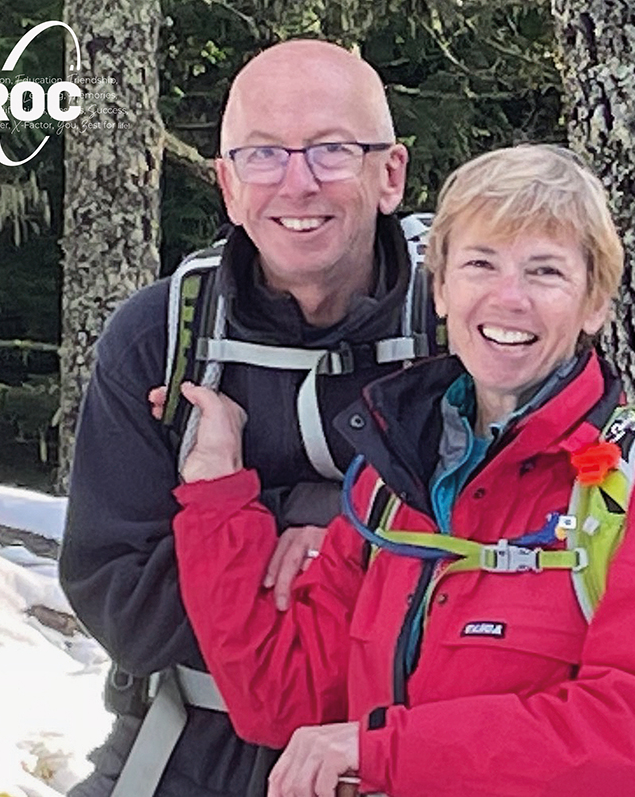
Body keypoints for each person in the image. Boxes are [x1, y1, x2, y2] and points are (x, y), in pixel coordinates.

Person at [168, 144, 635, 796]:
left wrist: (387, 752)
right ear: (440, 289)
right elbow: (282, 694)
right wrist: (215, 489)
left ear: (595, 304)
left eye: (545, 271)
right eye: (480, 263)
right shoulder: (391, 480)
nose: (509, 297)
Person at [59, 39, 441, 797]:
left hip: (406, 744)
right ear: (228, 184)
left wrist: (323, 530)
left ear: (389, 172)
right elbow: (122, 602)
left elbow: (505, 578)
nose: (297, 184)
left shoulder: (462, 328)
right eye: (264, 154)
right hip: (184, 744)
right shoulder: (163, 336)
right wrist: (329, 540)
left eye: (332, 149)